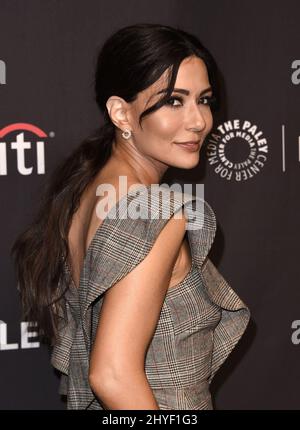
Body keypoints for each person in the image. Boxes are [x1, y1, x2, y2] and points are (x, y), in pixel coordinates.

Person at [10, 23, 250, 410]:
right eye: (174, 100)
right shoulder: (153, 210)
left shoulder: (88, 190)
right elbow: (112, 374)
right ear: (121, 113)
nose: (199, 121)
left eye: (204, 100)